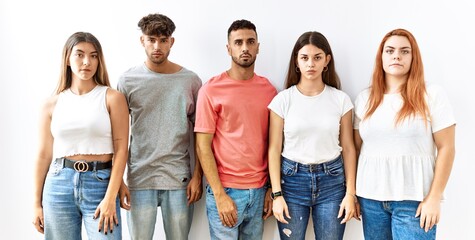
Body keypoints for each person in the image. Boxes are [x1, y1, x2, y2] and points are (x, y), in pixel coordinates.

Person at [353, 28, 456, 240]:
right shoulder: (365, 98)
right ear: (381, 57)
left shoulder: (432, 95)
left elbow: (447, 147)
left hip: (415, 201)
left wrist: (435, 197)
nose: (396, 56)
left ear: (413, 57)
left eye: (404, 51)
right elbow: (355, 149)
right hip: (371, 200)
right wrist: (352, 193)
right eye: (389, 51)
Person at [32, 32, 129, 239]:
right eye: (80, 54)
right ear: (67, 58)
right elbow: (43, 155)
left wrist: (111, 196)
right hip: (58, 184)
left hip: (100, 183)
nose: (87, 62)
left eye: (94, 56)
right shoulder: (51, 104)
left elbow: (121, 149)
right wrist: (35, 204)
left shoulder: (112, 98)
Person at [117, 13, 203, 240]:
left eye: (163, 40)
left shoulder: (191, 81)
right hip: (139, 177)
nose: (157, 46)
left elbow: (201, 135)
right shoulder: (127, 81)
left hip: (179, 179)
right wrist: (119, 180)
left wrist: (197, 176)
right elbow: (118, 135)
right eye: (151, 39)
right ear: (142, 41)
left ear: (171, 42)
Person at [267, 31, 359, 240]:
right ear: (296, 62)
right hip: (292, 182)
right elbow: (274, 149)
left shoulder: (341, 100)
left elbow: (349, 147)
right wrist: (277, 194)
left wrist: (350, 193)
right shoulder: (282, 100)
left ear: (326, 60)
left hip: (332, 182)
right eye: (305, 58)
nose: (311, 64)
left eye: (317, 57)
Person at [194, 19, 277, 239]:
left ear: (258, 46)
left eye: (250, 42)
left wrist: (270, 189)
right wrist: (220, 195)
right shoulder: (211, 89)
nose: (245, 48)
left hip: (259, 190)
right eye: (238, 42)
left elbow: (273, 143)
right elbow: (203, 146)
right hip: (226, 190)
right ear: (228, 48)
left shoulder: (269, 90)